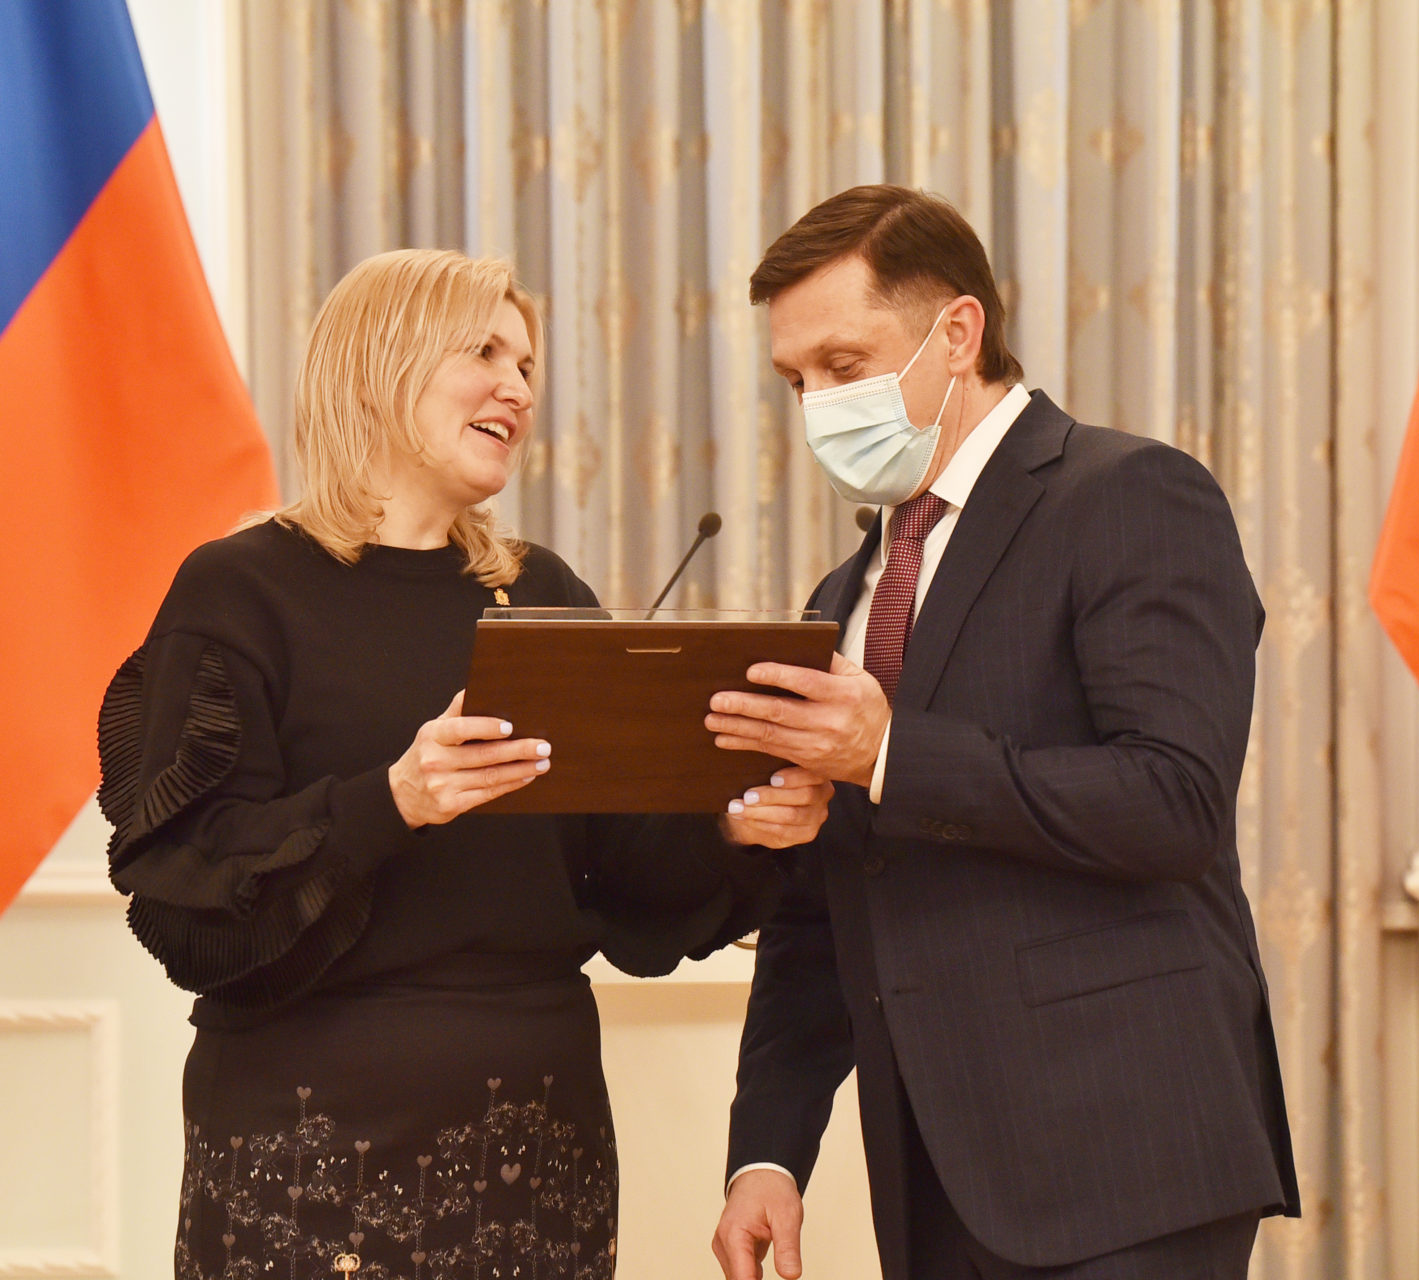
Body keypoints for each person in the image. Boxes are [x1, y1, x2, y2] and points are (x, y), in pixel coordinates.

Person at [98, 248, 830, 1279]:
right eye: (483, 352)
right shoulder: (238, 589)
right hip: (303, 1139)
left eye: (525, 365)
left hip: (536, 1140)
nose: (518, 388)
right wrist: (393, 798)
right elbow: (190, 876)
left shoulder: (545, 593)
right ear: (375, 366)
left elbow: (629, 879)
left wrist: (734, 829)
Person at [706, 187, 1298, 1280]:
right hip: (931, 1174)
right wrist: (768, 1152)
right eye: (796, 381)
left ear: (958, 332)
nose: (819, 405)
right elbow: (825, 904)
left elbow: (1174, 802)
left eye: (844, 364)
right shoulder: (840, 593)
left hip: (1124, 1156)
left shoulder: (1131, 493)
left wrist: (889, 755)